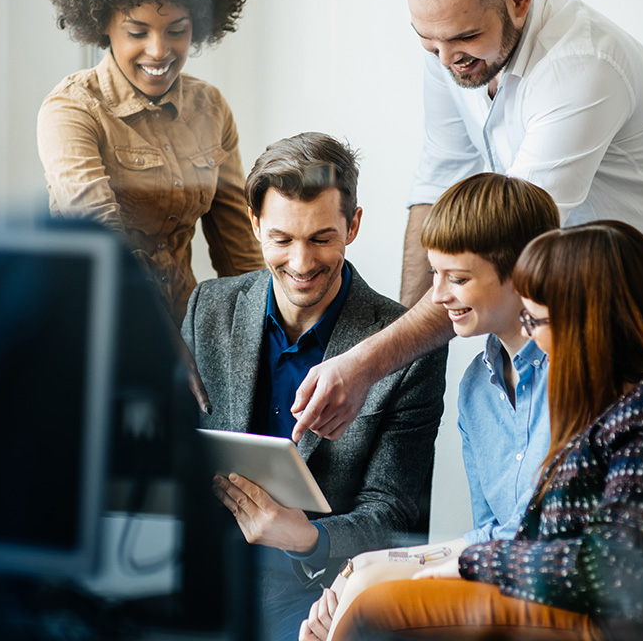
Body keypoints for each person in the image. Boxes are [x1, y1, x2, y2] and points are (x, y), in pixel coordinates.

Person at [288, 0, 643, 444]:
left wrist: (367, 363)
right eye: (428, 43)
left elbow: (506, 247)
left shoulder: (582, 66)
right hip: (566, 289)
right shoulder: (450, 46)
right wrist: (396, 347)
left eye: (464, 40)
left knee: (634, 494)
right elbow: (439, 182)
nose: (448, 61)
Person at [328, 221, 643, 641]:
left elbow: (619, 567)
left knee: (375, 612)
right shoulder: (612, 408)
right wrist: (407, 561)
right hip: (583, 607)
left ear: (589, 324)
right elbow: (528, 534)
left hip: (631, 624)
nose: (527, 335)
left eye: (535, 321)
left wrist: (476, 563)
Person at [180, 133, 447, 641]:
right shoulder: (208, 308)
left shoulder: (406, 349)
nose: (301, 264)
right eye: (281, 239)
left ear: (354, 224)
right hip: (203, 582)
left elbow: (395, 516)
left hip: (323, 596)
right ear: (255, 224)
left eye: (322, 239)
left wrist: (308, 538)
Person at [299, 173, 560, 641]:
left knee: (370, 602)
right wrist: (371, 564)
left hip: (553, 580)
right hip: (499, 574)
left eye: (457, 279)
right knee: (355, 584)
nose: (438, 297)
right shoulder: (476, 388)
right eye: (435, 274)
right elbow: (488, 529)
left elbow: (539, 533)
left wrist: (388, 569)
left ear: (523, 272)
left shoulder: (574, 375)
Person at [37, 0, 264, 325]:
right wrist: (172, 355)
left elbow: (241, 255)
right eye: (137, 32)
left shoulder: (210, 108)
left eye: (176, 30)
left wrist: (265, 346)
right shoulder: (71, 111)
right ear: (102, 22)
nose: (159, 51)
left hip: (190, 329)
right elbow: (107, 252)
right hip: (102, 331)